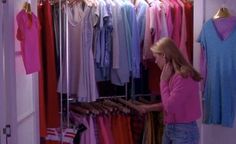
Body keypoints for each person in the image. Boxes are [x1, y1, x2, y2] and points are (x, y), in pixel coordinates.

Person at [138, 37, 202, 144]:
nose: (155, 61)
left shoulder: (183, 77)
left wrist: (163, 82)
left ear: (164, 55)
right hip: (172, 128)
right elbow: (170, 102)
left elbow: (170, 107)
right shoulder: (173, 75)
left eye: (156, 57)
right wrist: (149, 108)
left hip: (183, 131)